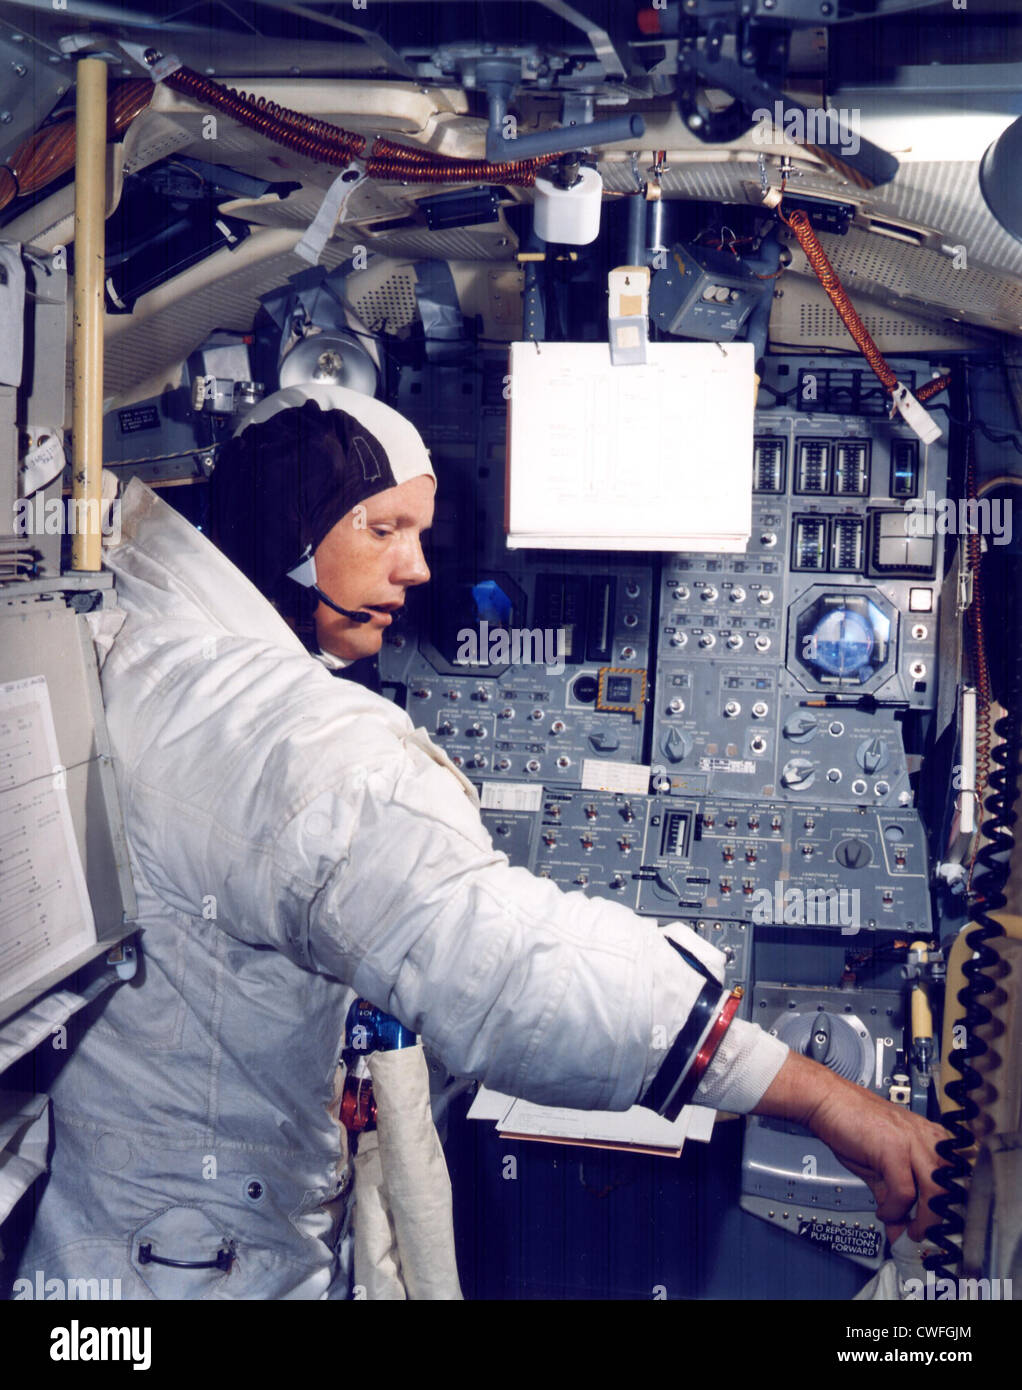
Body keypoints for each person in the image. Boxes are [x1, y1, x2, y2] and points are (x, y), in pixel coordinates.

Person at [16, 384, 948, 1299]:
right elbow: (511, 975)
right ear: (283, 526)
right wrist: (817, 1092)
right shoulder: (299, 741)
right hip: (202, 1261)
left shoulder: (125, 641)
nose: (416, 568)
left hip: (100, 1236)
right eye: (381, 528)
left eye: (418, 534)